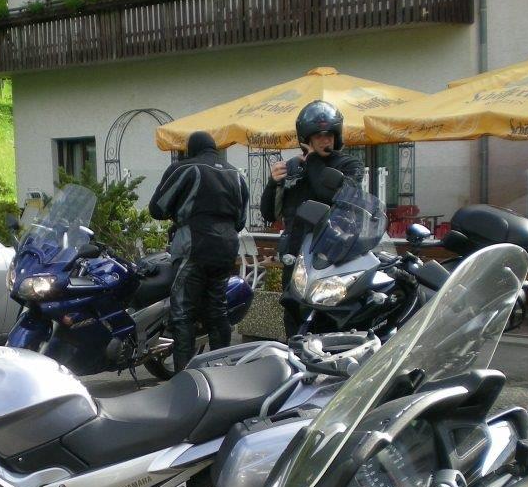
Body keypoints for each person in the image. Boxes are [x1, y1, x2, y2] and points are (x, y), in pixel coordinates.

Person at [148, 131, 249, 373]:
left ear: (190, 149)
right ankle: (221, 372)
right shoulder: (236, 174)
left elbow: (157, 208)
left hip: (193, 245)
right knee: (217, 310)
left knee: (183, 313)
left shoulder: (186, 168)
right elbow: (241, 220)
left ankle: (185, 378)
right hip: (226, 248)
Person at [260, 100, 365, 289]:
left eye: (329, 135)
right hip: (296, 253)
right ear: (307, 139)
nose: (325, 141)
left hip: (331, 255)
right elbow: (269, 214)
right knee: (292, 305)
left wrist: (313, 160)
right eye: (318, 136)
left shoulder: (349, 165)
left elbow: (331, 195)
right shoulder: (293, 167)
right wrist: (273, 183)